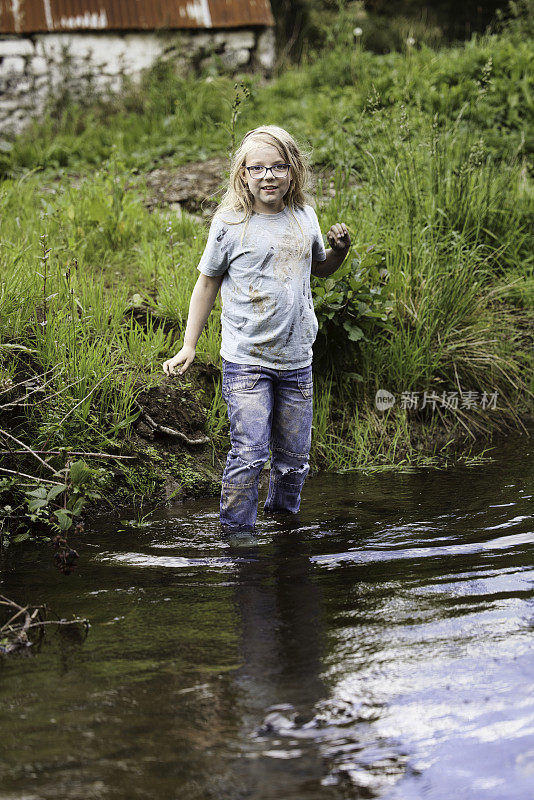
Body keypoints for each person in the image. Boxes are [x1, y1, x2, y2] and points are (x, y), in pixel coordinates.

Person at [162, 125, 351, 535]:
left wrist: (339, 252)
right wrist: (188, 345)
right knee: (249, 452)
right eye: (258, 168)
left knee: (294, 459)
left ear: (292, 170)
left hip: (297, 360)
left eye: (278, 167)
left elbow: (319, 269)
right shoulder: (231, 223)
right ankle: (237, 536)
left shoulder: (304, 216)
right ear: (243, 174)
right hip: (247, 361)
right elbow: (207, 282)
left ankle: (283, 530)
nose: (269, 176)